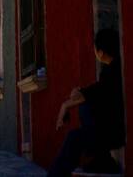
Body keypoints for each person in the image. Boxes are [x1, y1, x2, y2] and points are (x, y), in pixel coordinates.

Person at [49, 28, 125, 177]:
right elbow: (96, 91)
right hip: (110, 130)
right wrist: (79, 94)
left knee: (74, 137)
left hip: (113, 132)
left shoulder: (113, 72)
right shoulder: (113, 70)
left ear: (100, 52)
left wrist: (66, 105)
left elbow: (97, 92)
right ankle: (102, 159)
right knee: (84, 111)